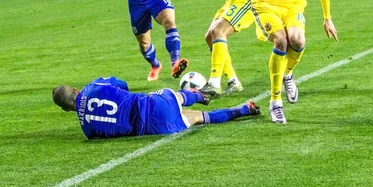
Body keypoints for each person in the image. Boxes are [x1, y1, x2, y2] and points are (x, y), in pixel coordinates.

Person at [52, 77, 261, 139]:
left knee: (200, 117)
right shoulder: (94, 86)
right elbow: (122, 84)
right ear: (74, 89)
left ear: (65, 109)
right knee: (174, 96)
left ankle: (244, 110)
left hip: (154, 126)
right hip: (152, 103)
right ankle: (195, 94)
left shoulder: (88, 131)